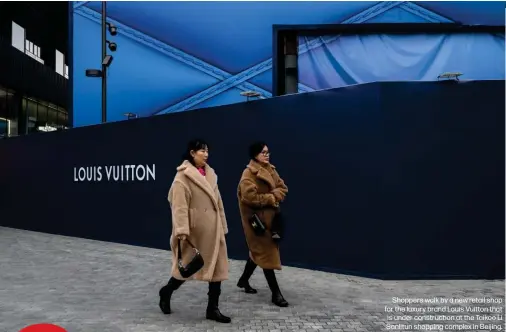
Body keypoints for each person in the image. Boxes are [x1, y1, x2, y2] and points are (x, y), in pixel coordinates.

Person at [159, 139, 231, 323]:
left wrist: (222, 224)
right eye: (202, 151)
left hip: (213, 230)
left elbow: (218, 202)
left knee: (217, 269)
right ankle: (167, 292)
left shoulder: (211, 174)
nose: (206, 154)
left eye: (207, 151)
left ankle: (212, 309)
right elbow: (179, 206)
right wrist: (182, 229)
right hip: (194, 230)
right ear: (192, 153)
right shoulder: (182, 177)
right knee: (188, 268)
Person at [236, 141, 289, 307]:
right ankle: (276, 294)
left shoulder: (271, 170)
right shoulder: (248, 173)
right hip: (256, 222)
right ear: (255, 155)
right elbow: (248, 197)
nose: (267, 154)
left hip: (271, 220)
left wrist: (274, 195)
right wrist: (271, 198)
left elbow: (283, 188)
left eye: (268, 152)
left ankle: (243, 280)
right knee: (266, 254)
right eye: (263, 152)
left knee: (258, 252)